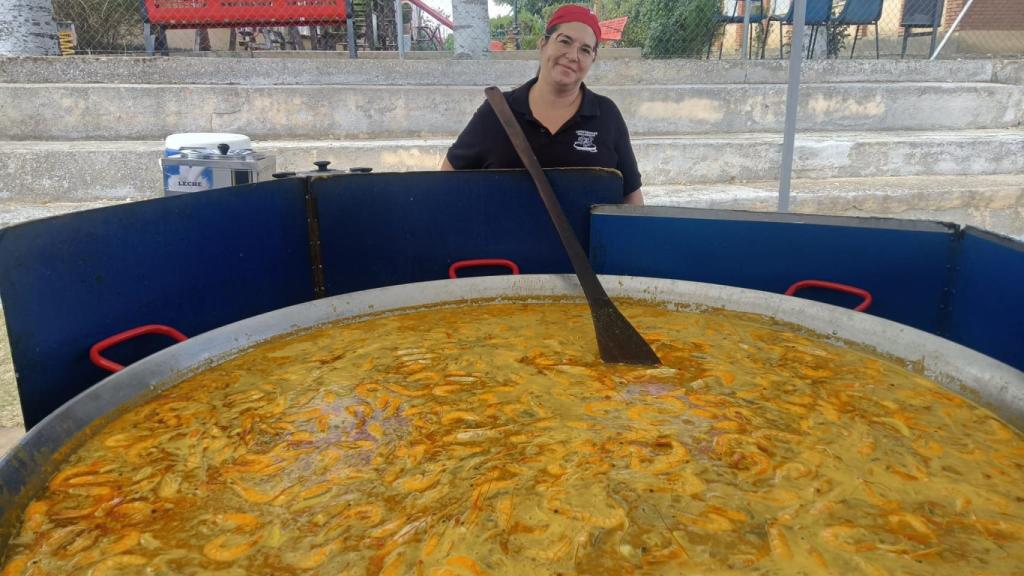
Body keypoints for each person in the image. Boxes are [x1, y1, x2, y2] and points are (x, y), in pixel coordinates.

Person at [441, 4, 644, 205]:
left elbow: (632, 199)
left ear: (593, 59)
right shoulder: (496, 111)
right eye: (564, 41)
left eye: (585, 50)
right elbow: (446, 181)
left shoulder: (606, 115)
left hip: (585, 240)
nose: (573, 56)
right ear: (543, 44)